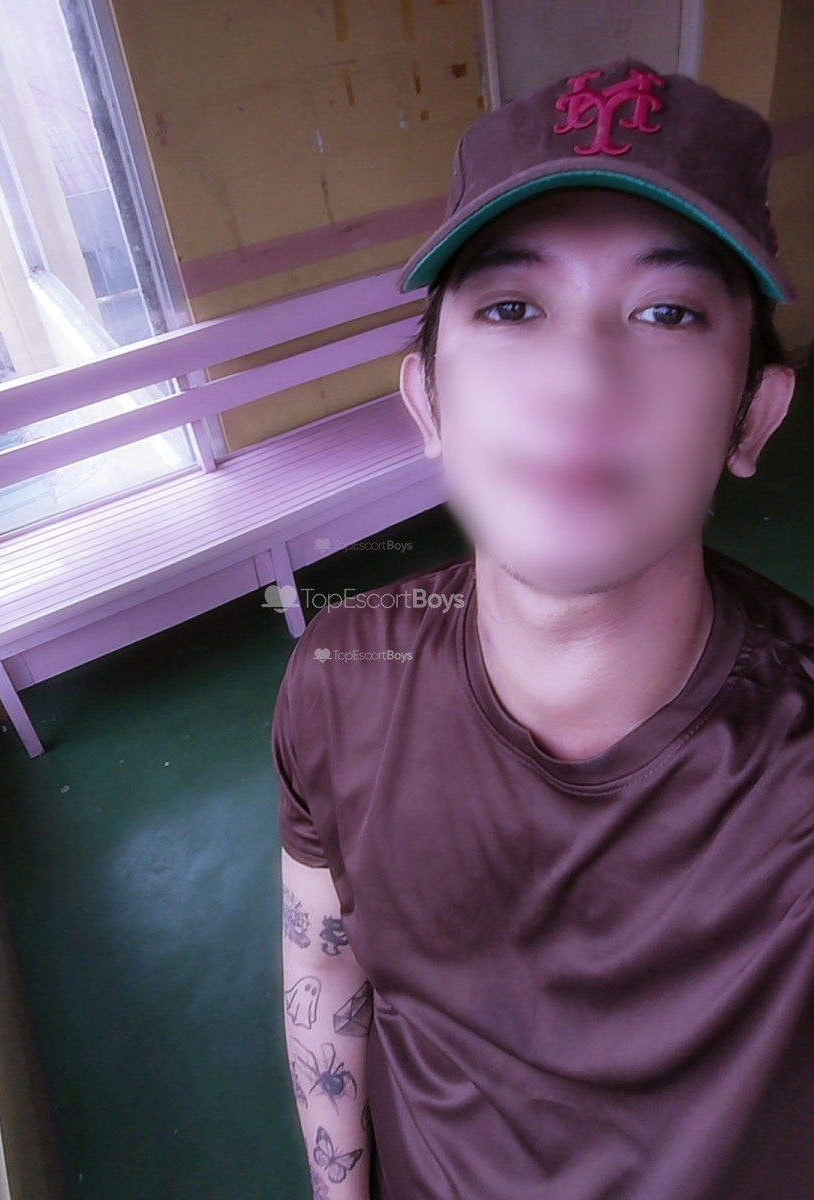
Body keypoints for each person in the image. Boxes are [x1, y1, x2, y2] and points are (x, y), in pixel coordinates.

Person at [272, 58, 812, 1200]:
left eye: (667, 313)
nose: (580, 380)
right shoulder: (342, 672)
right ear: (428, 399)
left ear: (752, 418)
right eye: (513, 308)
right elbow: (326, 968)